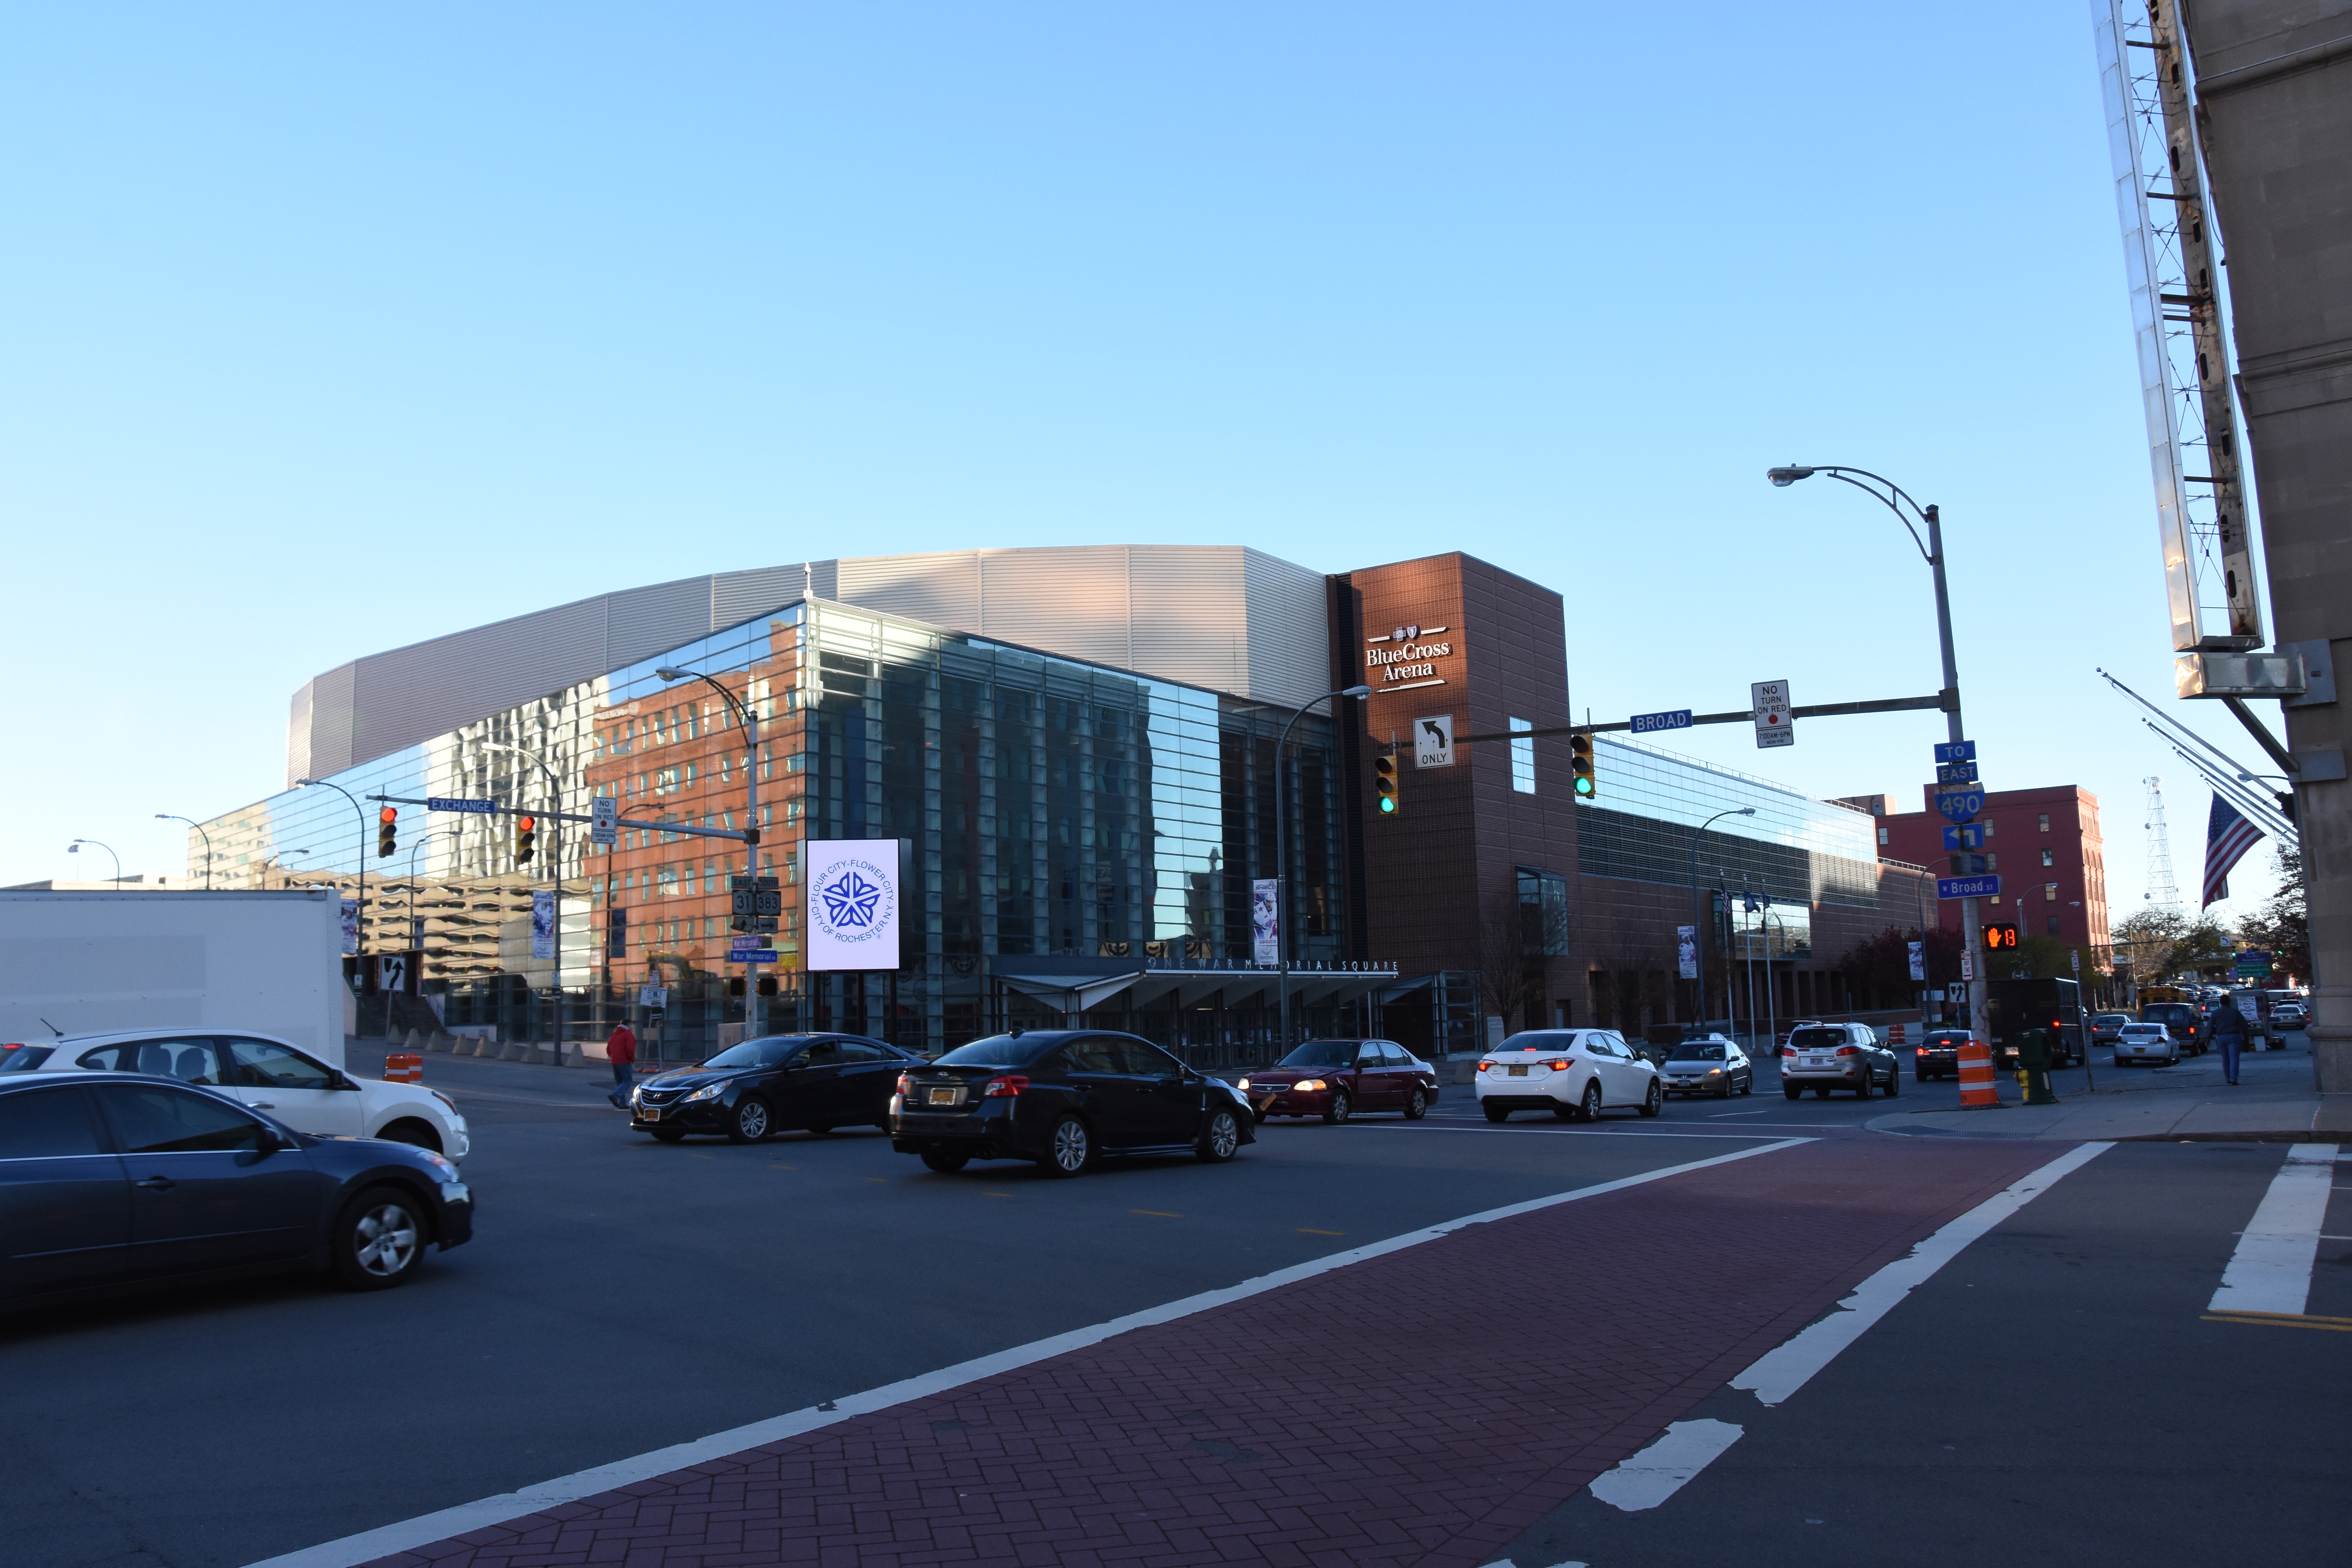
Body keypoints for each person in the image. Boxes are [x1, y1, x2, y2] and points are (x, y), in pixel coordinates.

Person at [606, 1021, 639, 1108]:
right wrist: (632, 1059)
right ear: (628, 1025)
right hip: (624, 1061)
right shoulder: (628, 1034)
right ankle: (615, 1095)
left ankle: (623, 1104)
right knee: (627, 1081)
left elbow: (608, 1049)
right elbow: (630, 1049)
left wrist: (613, 1056)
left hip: (615, 1061)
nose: (631, 1026)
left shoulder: (614, 1035)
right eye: (630, 1025)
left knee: (620, 1082)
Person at [2212, 998, 2244, 1086]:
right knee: (2234, 1058)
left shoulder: (2215, 1013)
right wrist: (2246, 1037)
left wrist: (2207, 1039)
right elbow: (2243, 1025)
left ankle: (2228, 1078)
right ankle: (2234, 1079)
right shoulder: (2235, 1012)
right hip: (2234, 1036)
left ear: (2220, 1002)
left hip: (2221, 1037)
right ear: (2229, 1002)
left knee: (2225, 1058)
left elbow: (2210, 1026)